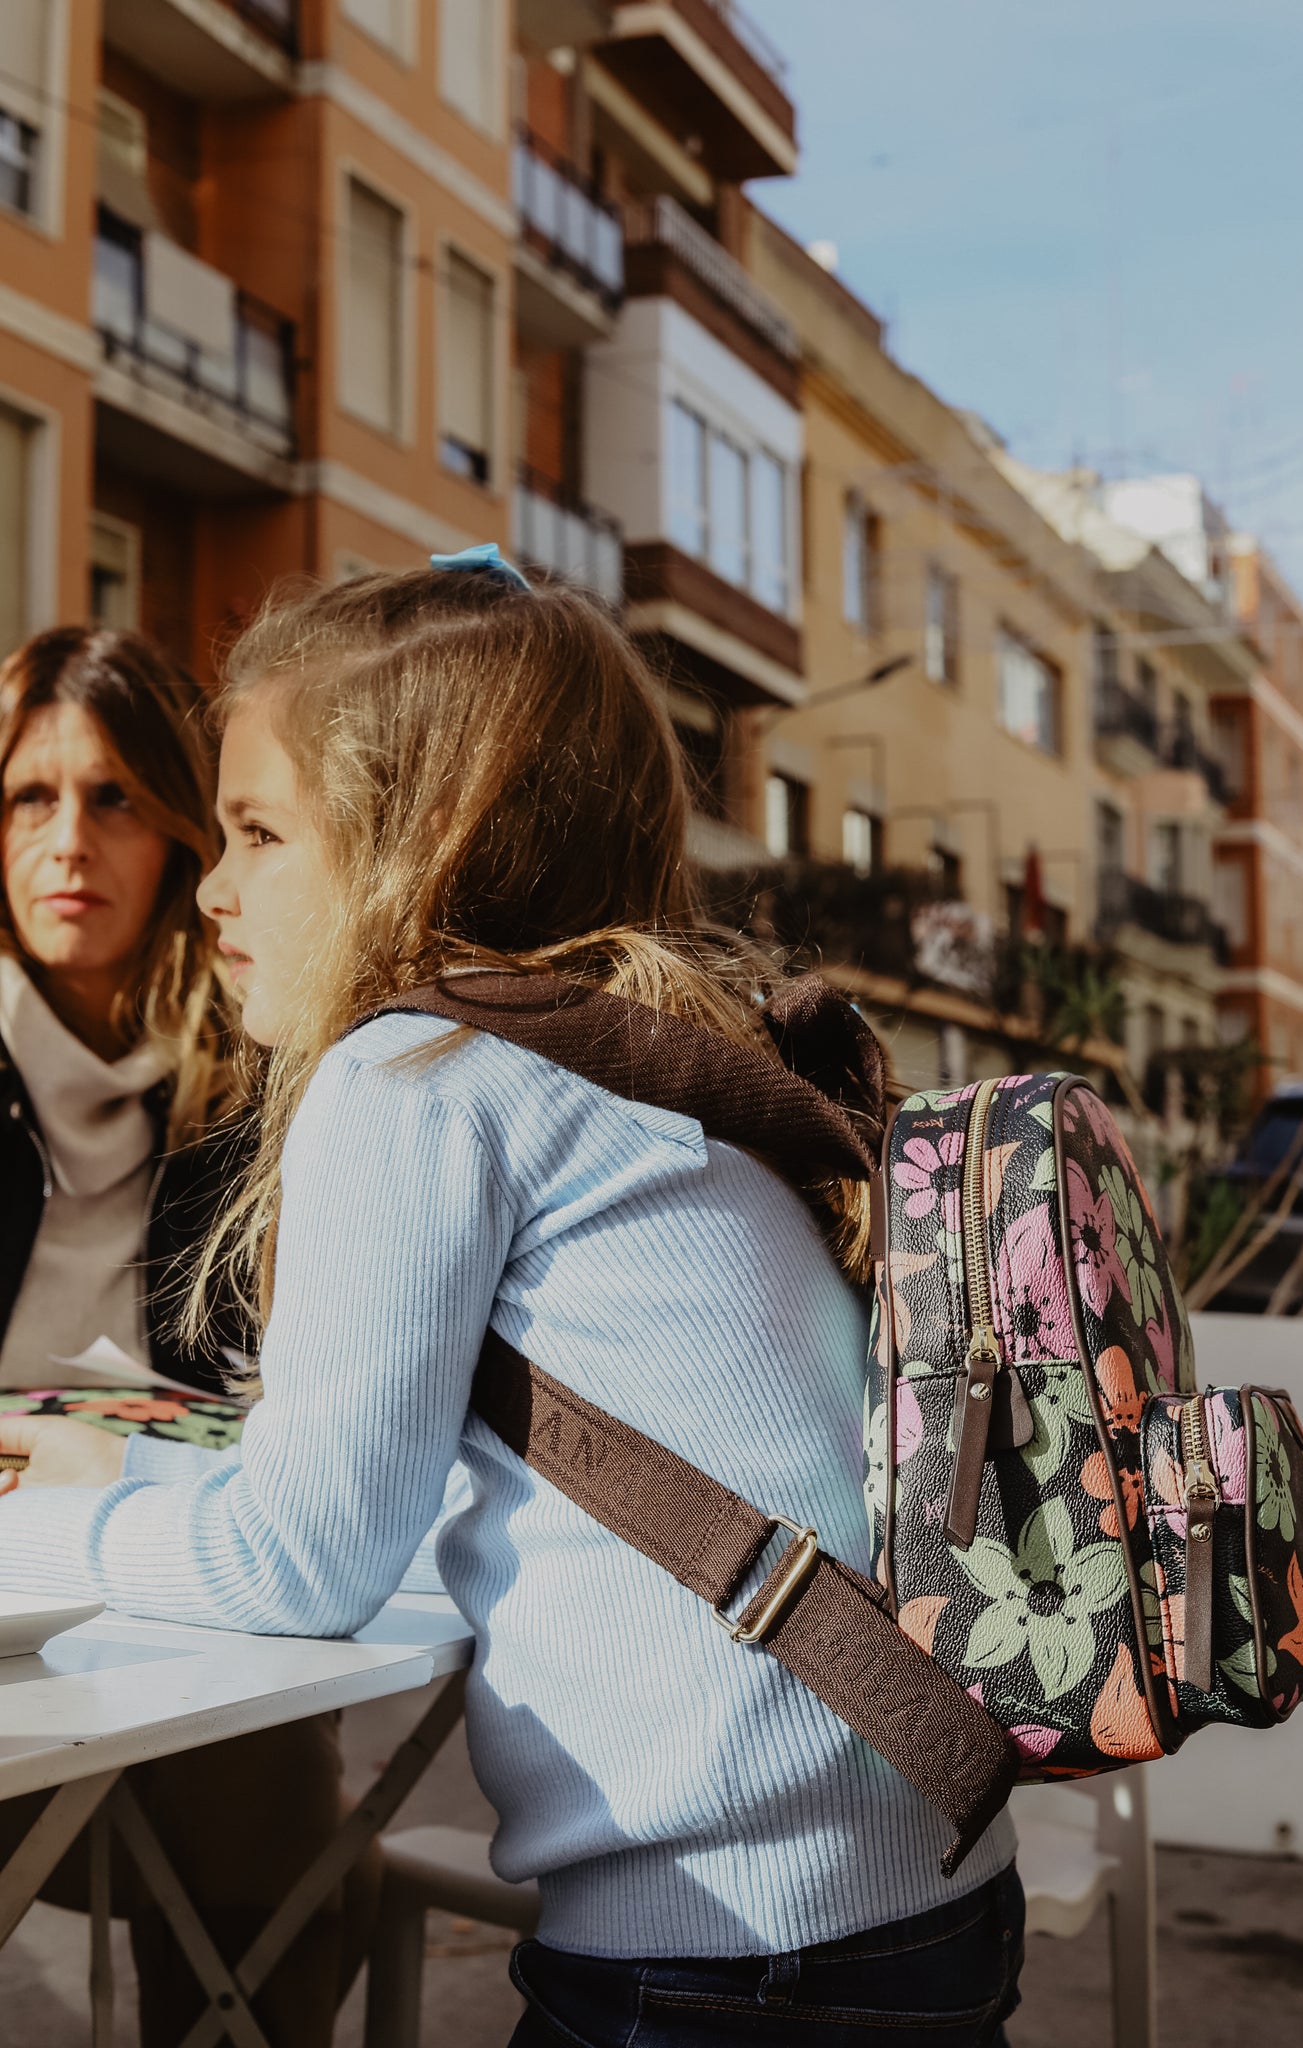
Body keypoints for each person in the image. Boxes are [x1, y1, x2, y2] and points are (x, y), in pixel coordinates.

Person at [0, 564, 1024, 2045]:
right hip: (920, 1881)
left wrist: (26, 1521)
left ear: (417, 838)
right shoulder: (656, 1051)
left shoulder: (409, 1079)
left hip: (722, 1946)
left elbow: (300, 1560)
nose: (212, 885)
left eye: (260, 833)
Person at [0, 625, 377, 2048]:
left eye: (111, 799)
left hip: (151, 1565)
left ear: (178, 828)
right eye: (28, 798)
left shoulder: (259, 1068)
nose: (66, 841)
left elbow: (278, 1399)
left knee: (277, 1797)